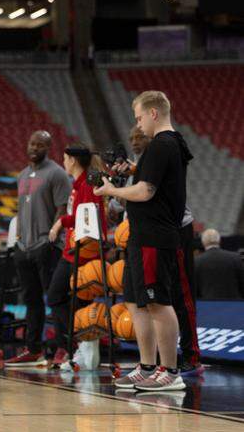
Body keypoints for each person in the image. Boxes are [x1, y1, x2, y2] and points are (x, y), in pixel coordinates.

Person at [100, 90, 192, 392]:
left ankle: (170, 371)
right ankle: (148, 365)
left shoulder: (163, 144)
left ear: (153, 113)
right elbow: (154, 180)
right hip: (143, 235)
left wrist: (110, 191)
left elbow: (145, 192)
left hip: (155, 235)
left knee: (158, 302)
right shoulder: (168, 145)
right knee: (136, 301)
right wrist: (135, 170)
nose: (138, 125)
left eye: (140, 117)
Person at [3, 130, 70, 368]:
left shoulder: (57, 174)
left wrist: (52, 236)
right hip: (24, 246)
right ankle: (33, 349)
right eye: (32, 143)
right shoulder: (22, 175)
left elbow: (62, 210)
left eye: (40, 145)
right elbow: (22, 210)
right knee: (31, 300)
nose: (34, 148)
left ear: (48, 148)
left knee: (55, 298)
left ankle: (65, 347)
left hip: (47, 244)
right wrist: (19, 238)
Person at [43, 146, 106, 369]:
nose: (63, 162)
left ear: (73, 160)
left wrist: (62, 222)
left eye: (65, 158)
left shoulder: (87, 185)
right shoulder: (79, 184)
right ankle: (82, 343)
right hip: (73, 250)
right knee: (75, 302)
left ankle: (83, 340)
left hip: (80, 253)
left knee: (56, 296)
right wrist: (63, 222)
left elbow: (89, 220)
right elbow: (79, 215)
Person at [194, 229, 244, 299]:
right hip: (234, 306)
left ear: (203, 242)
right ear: (219, 241)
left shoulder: (197, 261)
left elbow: (194, 289)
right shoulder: (235, 258)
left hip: (206, 306)